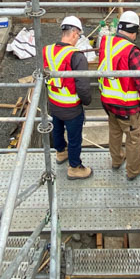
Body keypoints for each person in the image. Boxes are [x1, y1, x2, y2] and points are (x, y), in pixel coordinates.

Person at [98, 10, 140, 180]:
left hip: (108, 102)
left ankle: (116, 161)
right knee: (134, 138)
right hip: (127, 107)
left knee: (114, 133)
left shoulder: (106, 43)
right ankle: (133, 170)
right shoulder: (132, 51)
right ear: (135, 30)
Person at [43, 16, 92, 179]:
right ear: (74, 33)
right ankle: (75, 168)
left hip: (54, 104)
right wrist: (87, 101)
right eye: (78, 35)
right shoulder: (77, 56)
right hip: (71, 108)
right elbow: (83, 85)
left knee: (57, 130)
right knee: (74, 138)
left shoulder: (47, 50)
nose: (78, 39)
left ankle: (60, 153)